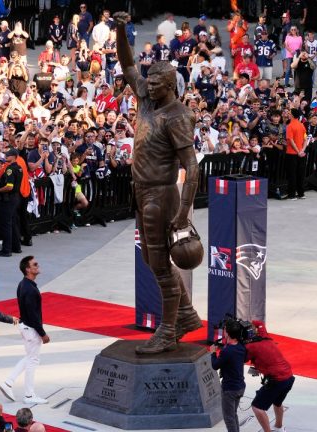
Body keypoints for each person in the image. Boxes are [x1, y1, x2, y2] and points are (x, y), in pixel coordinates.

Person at [114, 11, 202, 354]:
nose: (147, 87)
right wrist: (122, 29)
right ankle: (186, 314)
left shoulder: (177, 115)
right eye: (147, 83)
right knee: (152, 260)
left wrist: (183, 213)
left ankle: (168, 329)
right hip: (142, 190)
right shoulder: (148, 99)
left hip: (161, 194)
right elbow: (127, 64)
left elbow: (192, 168)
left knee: (161, 264)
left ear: (170, 86)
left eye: (154, 84)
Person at [0, 256, 50, 403]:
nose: (37, 265)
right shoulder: (29, 288)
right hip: (30, 328)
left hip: (26, 326)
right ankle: (29, 395)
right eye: (35, 264)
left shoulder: (24, 284)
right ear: (27, 269)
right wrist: (43, 333)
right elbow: (33, 314)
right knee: (33, 360)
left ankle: (8, 382)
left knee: (29, 358)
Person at [245, 321, 294, 432]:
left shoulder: (249, 347)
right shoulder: (264, 335)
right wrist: (250, 322)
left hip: (276, 381)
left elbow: (242, 358)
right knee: (277, 403)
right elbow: (260, 323)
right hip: (289, 377)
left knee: (257, 407)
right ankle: (279, 427)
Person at [209, 320, 246, 432]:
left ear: (227, 333)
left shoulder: (228, 351)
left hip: (230, 389)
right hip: (240, 386)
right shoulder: (241, 346)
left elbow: (215, 366)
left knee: (229, 418)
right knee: (233, 414)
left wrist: (213, 353)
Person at [0, 148, 22, 257]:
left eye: (8, 155)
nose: (6, 156)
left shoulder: (10, 169)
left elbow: (9, 186)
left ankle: (6, 250)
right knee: (13, 222)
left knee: (6, 224)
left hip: (8, 199)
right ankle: (16, 247)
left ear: (14, 157)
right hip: (15, 198)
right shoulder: (19, 168)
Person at [285, 108, 307, 200]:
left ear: (292, 115)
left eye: (289, 113)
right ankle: (301, 193)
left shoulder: (290, 126)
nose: (288, 114)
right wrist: (302, 150)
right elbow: (305, 139)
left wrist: (298, 151)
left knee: (292, 174)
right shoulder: (302, 125)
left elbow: (290, 140)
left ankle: (292, 194)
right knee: (300, 174)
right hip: (301, 154)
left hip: (292, 153)